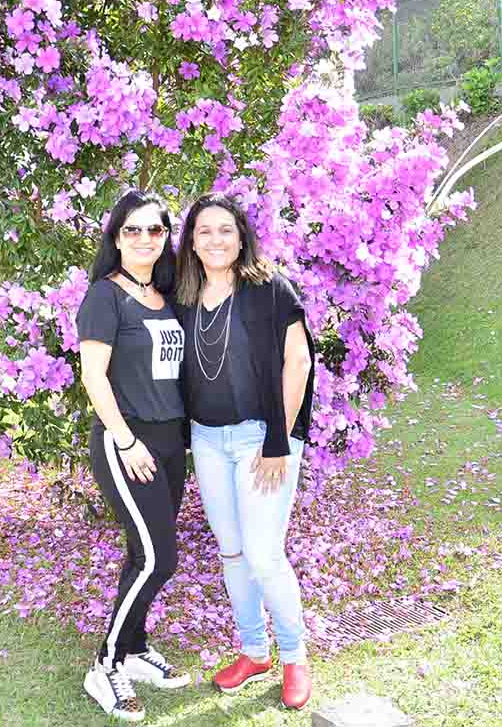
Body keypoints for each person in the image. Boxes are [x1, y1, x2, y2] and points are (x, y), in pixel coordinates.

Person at [175, 192, 316, 710]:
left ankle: (295, 656)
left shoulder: (268, 287)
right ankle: (255, 651)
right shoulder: (184, 295)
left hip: (263, 436)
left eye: (226, 230)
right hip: (208, 440)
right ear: (192, 241)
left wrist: (279, 440)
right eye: (205, 230)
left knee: (262, 553)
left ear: (241, 238)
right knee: (232, 550)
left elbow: (298, 362)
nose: (216, 239)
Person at [77, 189, 192, 722]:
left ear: (166, 237)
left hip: (170, 442)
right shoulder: (105, 296)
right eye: (133, 229)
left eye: (155, 229)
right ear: (116, 238)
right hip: (127, 441)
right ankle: (106, 665)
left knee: (141, 553)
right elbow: (93, 376)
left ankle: (135, 649)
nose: (144, 238)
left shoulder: (165, 296)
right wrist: (125, 440)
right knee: (158, 558)